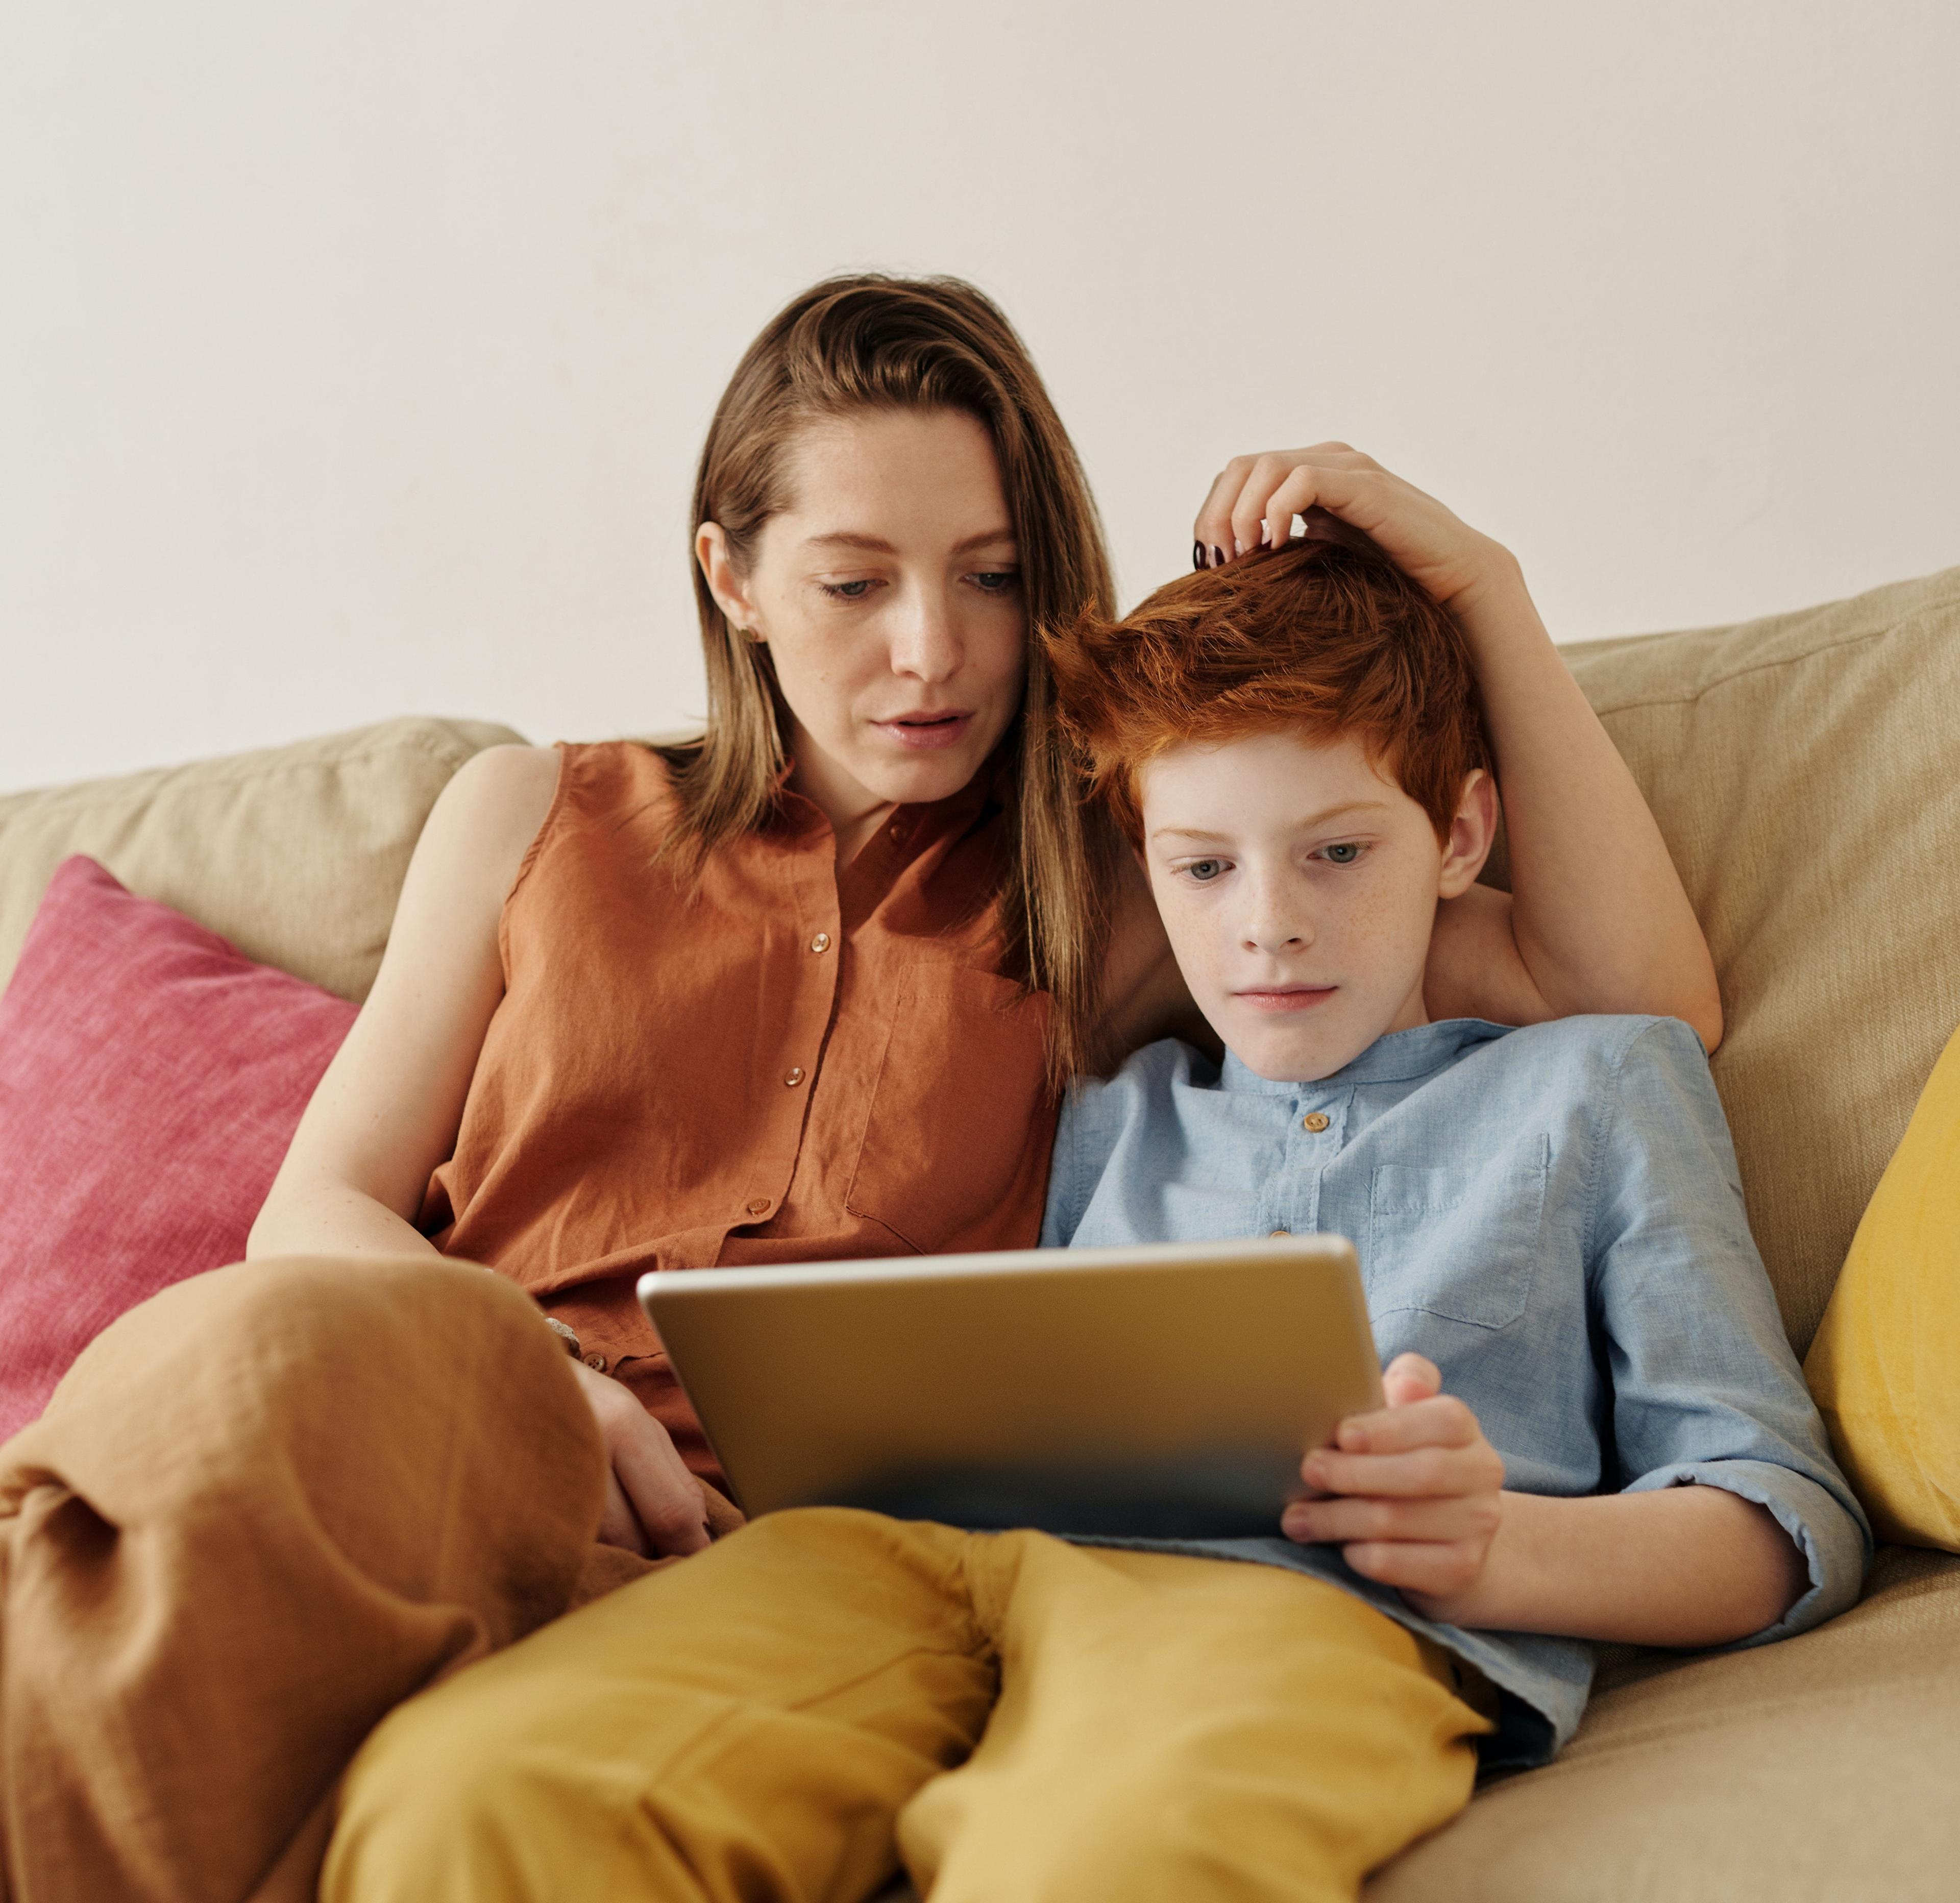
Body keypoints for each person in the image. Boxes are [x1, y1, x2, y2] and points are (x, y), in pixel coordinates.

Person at [0, 279, 1720, 1901]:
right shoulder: (527, 811)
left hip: (756, 1559)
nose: (933, 652)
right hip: (453, 1405)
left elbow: (1619, 994)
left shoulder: (1130, 878)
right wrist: (534, 1381)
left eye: (988, 577)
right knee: (242, 1360)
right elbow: (316, 1212)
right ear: (732, 580)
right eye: (852, 582)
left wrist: (1479, 582)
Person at [318, 533, 1864, 1902]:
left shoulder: (1596, 1085)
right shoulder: (1112, 1096)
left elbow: (1780, 1516)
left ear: (1460, 839)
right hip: (911, 1561)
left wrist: (1497, 1553)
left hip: (1292, 1606)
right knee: (474, 1795)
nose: (1267, 921)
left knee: (1105, 1861)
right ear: (1146, 868)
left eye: (1338, 853)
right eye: (1204, 867)